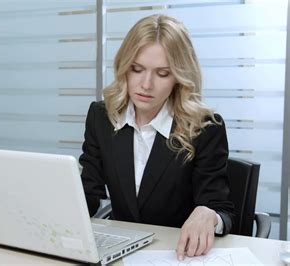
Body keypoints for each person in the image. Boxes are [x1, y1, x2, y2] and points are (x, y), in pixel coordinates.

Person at [79, 14, 235, 261]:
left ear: (179, 77)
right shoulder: (102, 116)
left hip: (179, 255)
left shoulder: (205, 128)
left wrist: (209, 215)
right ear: (124, 67)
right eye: (137, 69)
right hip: (122, 253)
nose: (146, 84)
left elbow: (222, 210)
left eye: (162, 73)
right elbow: (88, 192)